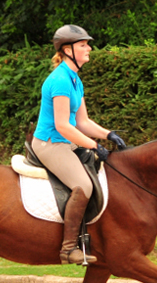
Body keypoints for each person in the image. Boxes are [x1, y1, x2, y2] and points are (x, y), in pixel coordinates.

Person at [32, 24, 126, 265]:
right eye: (83, 45)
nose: (89, 48)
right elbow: (63, 125)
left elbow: (82, 121)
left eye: (87, 44)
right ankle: (68, 249)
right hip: (51, 144)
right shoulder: (60, 80)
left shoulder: (75, 80)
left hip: (68, 142)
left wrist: (109, 134)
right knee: (83, 185)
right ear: (68, 49)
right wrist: (93, 146)